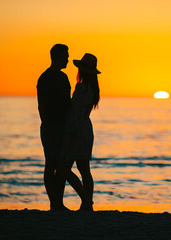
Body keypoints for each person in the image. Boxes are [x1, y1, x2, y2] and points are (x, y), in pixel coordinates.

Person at [57, 53, 100, 211]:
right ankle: (87, 204)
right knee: (84, 170)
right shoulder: (93, 88)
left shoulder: (81, 87)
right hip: (86, 128)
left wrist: (71, 134)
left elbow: (75, 112)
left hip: (76, 128)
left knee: (63, 168)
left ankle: (86, 201)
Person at [36, 44, 71, 211]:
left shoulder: (64, 78)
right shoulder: (45, 78)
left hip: (64, 128)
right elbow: (42, 106)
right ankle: (54, 203)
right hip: (51, 127)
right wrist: (48, 128)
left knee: (62, 165)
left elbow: (68, 104)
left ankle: (58, 202)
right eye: (66, 55)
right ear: (57, 56)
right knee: (51, 164)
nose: (68, 59)